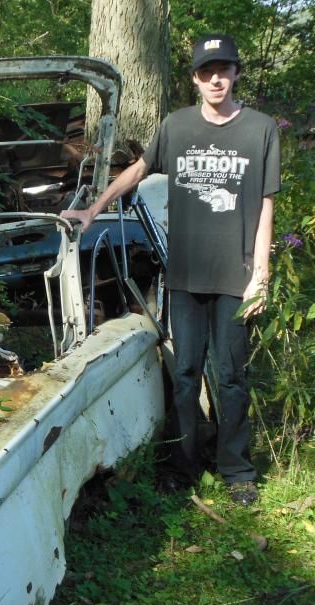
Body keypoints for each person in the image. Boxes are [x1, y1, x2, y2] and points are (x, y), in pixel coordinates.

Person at [63, 34, 280, 505]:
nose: (216, 78)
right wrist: (93, 207)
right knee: (184, 373)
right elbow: (138, 170)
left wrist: (261, 276)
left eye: (224, 69)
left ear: (236, 73)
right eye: (207, 71)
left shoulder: (260, 129)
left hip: (235, 277)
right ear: (195, 79)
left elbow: (265, 205)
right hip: (184, 275)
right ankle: (180, 467)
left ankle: (237, 471)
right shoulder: (176, 127)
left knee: (231, 376)